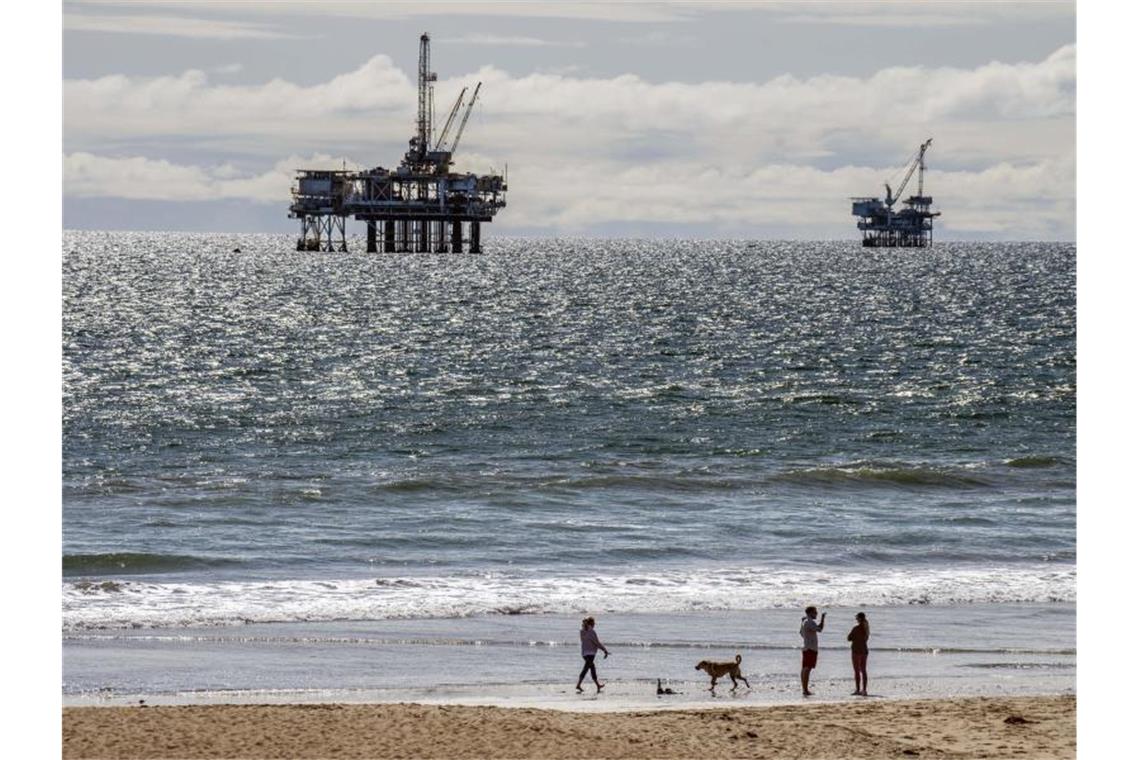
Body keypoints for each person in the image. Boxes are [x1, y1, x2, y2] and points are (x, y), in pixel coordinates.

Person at [576, 616, 609, 693]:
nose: (594, 625)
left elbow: (585, 641)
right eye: (594, 623)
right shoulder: (592, 632)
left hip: (584, 653)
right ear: (592, 623)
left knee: (591, 668)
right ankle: (578, 685)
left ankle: (597, 685)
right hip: (590, 654)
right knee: (586, 669)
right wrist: (605, 650)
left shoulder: (582, 631)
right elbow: (597, 643)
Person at [799, 606, 826, 696]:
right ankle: (805, 689)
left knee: (805, 668)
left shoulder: (804, 622)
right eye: (815, 612)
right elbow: (820, 629)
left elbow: (801, 633)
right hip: (811, 647)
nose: (816, 614)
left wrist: (807, 638)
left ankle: (804, 689)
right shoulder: (809, 622)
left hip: (806, 646)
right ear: (810, 613)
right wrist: (822, 619)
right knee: (807, 668)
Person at [847, 611, 870, 696]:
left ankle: (857, 689)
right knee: (863, 670)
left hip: (856, 650)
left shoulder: (856, 628)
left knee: (856, 671)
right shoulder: (866, 628)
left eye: (857, 618)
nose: (856, 619)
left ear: (859, 618)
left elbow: (849, 638)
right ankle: (864, 690)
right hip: (864, 650)